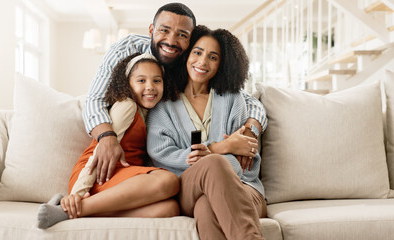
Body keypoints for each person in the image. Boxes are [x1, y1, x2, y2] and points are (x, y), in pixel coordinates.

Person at [82, 3, 267, 187]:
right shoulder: (127, 49)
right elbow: (94, 100)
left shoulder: (186, 62)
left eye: (182, 35)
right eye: (164, 30)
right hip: (126, 147)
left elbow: (249, 100)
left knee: (169, 202)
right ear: (151, 29)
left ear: (190, 40)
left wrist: (249, 131)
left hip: (160, 167)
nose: (171, 41)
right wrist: (107, 137)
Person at [147, 25, 267, 240]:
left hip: (244, 189)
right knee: (213, 163)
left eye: (213, 57)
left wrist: (212, 155)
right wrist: (215, 151)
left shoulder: (233, 98)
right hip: (187, 187)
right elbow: (160, 154)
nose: (202, 62)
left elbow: (244, 161)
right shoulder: (163, 102)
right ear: (186, 54)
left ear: (222, 64)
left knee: (206, 207)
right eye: (197, 52)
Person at [37, 53, 180, 229]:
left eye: (157, 81)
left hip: (126, 181)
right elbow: (101, 152)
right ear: (128, 84)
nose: (150, 87)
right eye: (141, 81)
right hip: (99, 173)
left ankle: (73, 210)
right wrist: (78, 193)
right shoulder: (127, 106)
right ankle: (71, 206)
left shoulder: (153, 112)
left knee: (169, 208)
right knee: (168, 180)